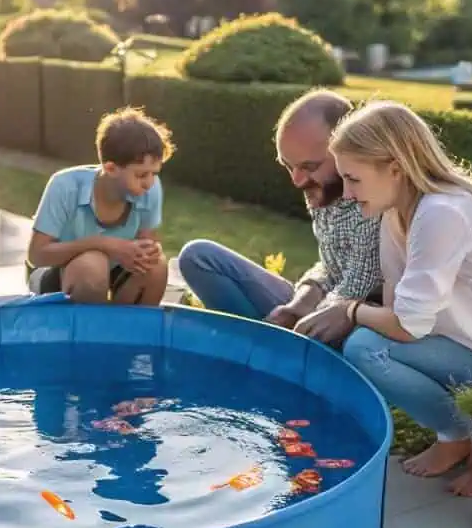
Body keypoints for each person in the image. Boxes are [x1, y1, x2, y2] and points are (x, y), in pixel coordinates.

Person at [327, 100, 472, 498]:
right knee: (367, 343)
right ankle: (459, 437)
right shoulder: (395, 213)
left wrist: (348, 310)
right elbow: (403, 310)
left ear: (395, 168)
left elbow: (407, 325)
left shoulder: (443, 213)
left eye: (353, 179)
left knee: (367, 348)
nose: (346, 193)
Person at [175, 89, 381, 348]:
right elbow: (331, 264)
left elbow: (358, 286)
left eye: (309, 167)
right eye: (288, 166)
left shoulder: (374, 198)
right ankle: (263, 345)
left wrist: (303, 319)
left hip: (357, 327)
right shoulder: (324, 190)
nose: (296, 180)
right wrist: (298, 305)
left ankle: (263, 347)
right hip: (318, 306)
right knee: (198, 257)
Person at [26, 107, 172, 305]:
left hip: (113, 272)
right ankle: (85, 332)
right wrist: (102, 244)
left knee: (156, 267)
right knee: (93, 264)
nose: (149, 182)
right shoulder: (64, 186)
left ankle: (128, 332)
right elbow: (37, 255)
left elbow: (146, 245)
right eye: (141, 175)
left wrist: (148, 251)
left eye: (154, 173)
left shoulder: (149, 189)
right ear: (111, 168)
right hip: (58, 272)